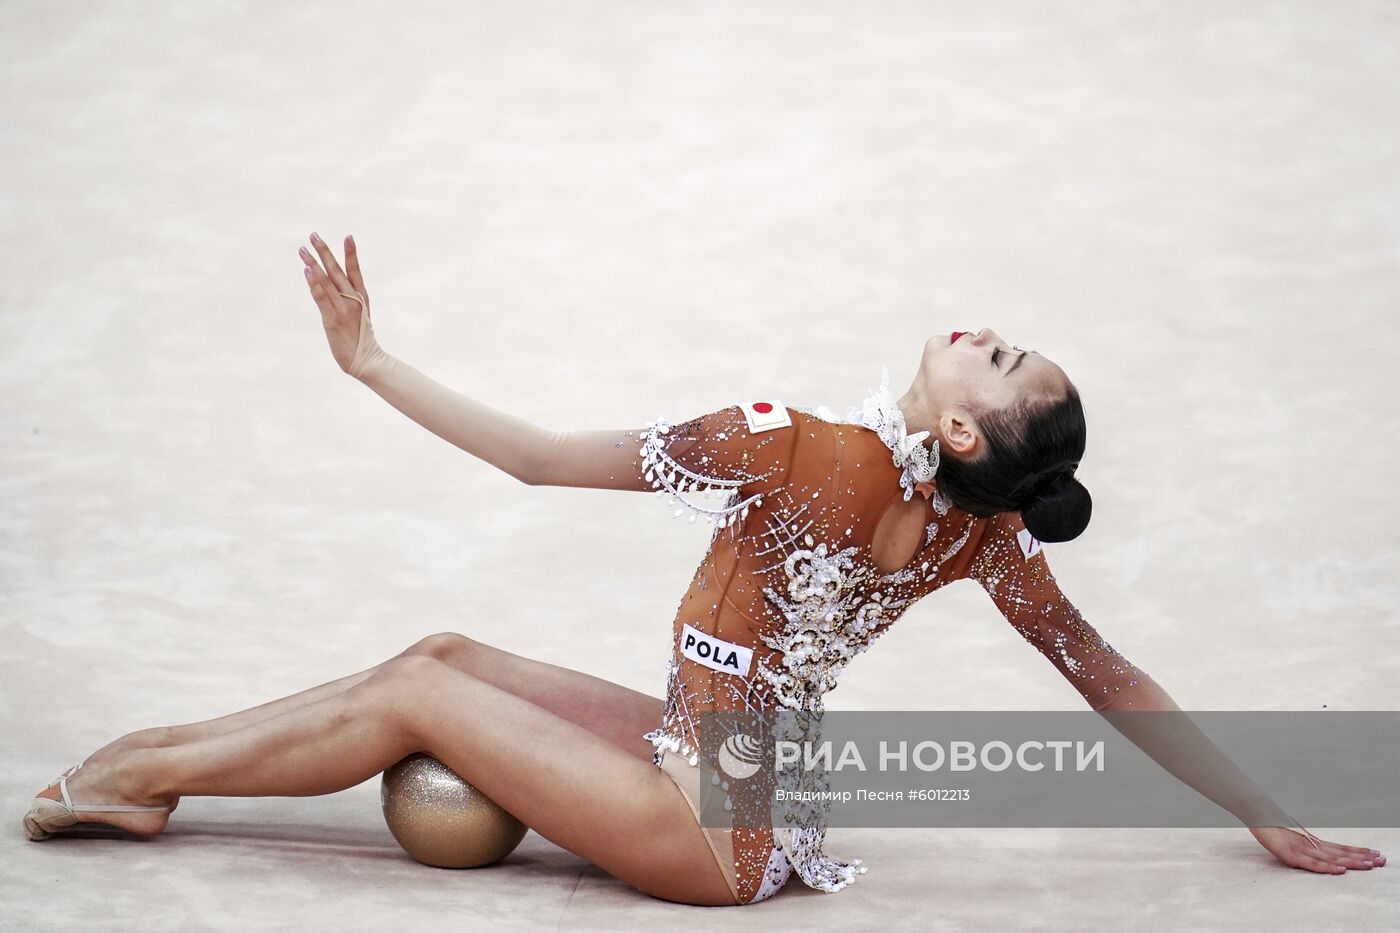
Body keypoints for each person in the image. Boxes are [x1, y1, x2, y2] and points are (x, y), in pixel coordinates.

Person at [23, 233, 1386, 906]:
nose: (982, 333)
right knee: (438, 657)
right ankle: (146, 772)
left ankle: (130, 774)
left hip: (718, 826)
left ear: (964, 428)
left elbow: (543, 462)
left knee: (419, 696)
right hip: (733, 764)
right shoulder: (981, 528)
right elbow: (1105, 666)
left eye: (1001, 356)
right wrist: (1264, 802)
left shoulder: (792, 449)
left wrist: (373, 363)